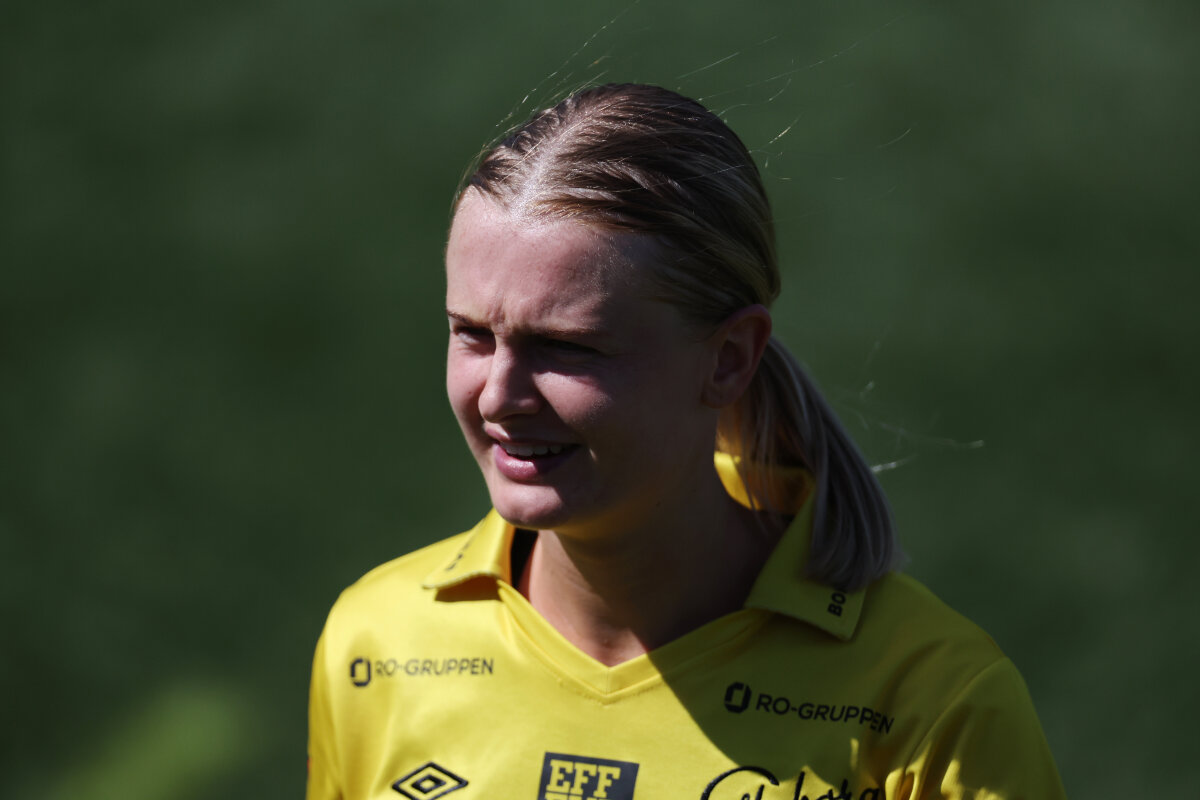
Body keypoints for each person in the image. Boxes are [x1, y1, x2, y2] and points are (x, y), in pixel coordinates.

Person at [307, 84, 1065, 800]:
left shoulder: (937, 701)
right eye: (472, 334)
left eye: (566, 347)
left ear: (729, 358)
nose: (499, 395)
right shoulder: (376, 642)